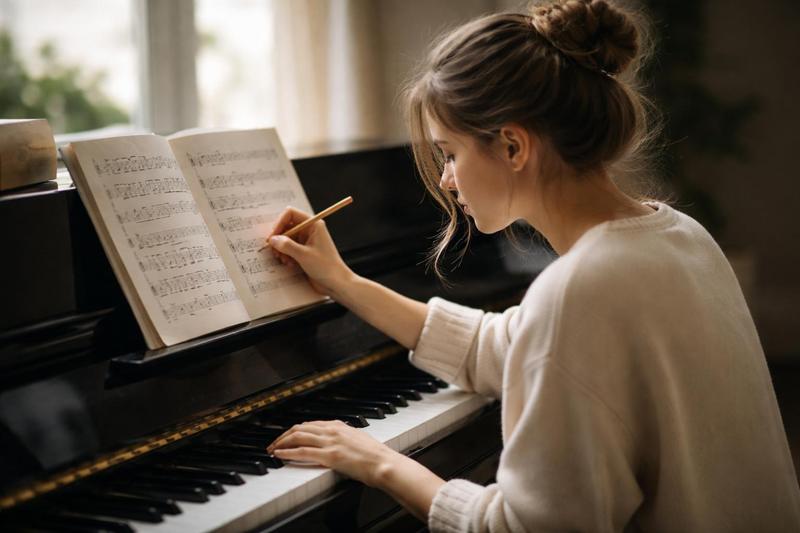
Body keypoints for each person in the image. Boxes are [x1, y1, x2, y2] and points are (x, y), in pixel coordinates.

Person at [264, 0, 800, 530]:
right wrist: (343, 281)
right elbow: (497, 346)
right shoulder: (680, 235)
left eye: (450, 152)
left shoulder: (579, 288)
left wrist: (377, 461)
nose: (447, 179)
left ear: (514, 146)